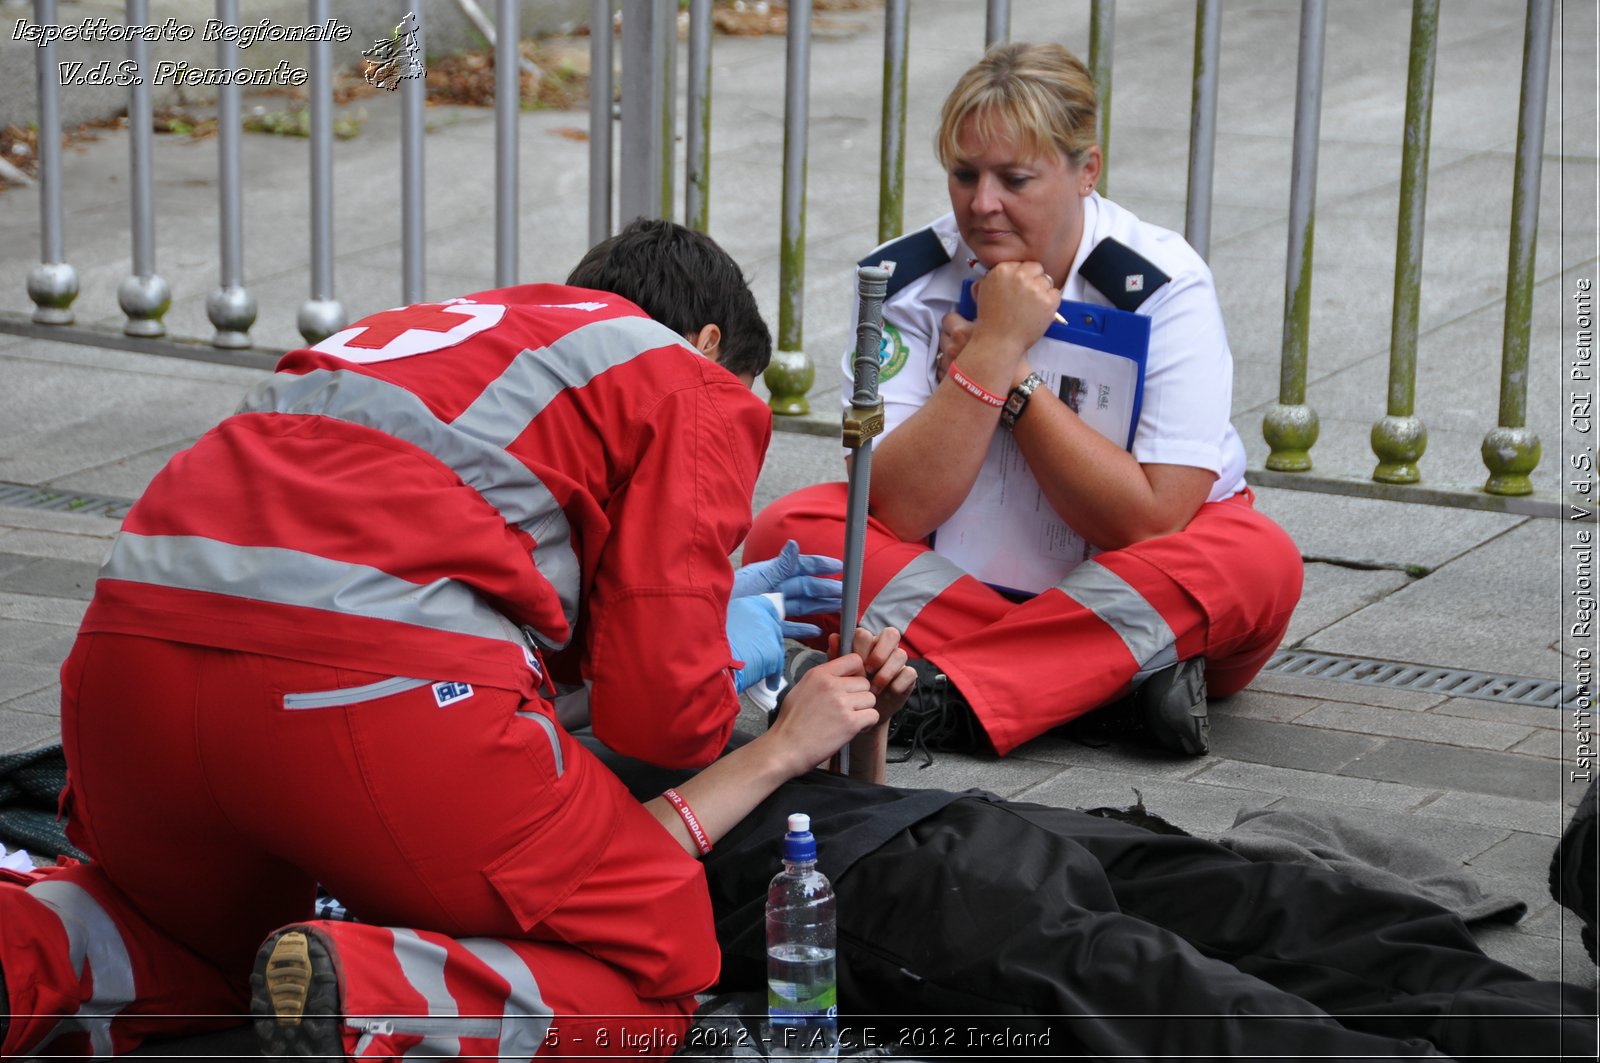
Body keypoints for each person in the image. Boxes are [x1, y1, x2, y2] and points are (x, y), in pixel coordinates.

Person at [0, 219, 912, 1061]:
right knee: (660, 967)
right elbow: (664, 720)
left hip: (128, 669)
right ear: (713, 346)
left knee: (183, 943)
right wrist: (734, 676)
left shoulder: (432, 334)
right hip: (357, 693)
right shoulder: (687, 380)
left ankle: (24, 950)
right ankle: (364, 990)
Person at [746, 42, 1304, 760]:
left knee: (1257, 558)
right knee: (796, 530)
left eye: (1015, 179)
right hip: (968, 585)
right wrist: (992, 350)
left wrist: (1009, 376)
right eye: (963, 175)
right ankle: (1109, 686)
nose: (983, 204)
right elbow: (899, 507)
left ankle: (954, 690)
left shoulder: (1166, 284)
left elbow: (1154, 516)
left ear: (1087, 171)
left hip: (1127, 581)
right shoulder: (904, 279)